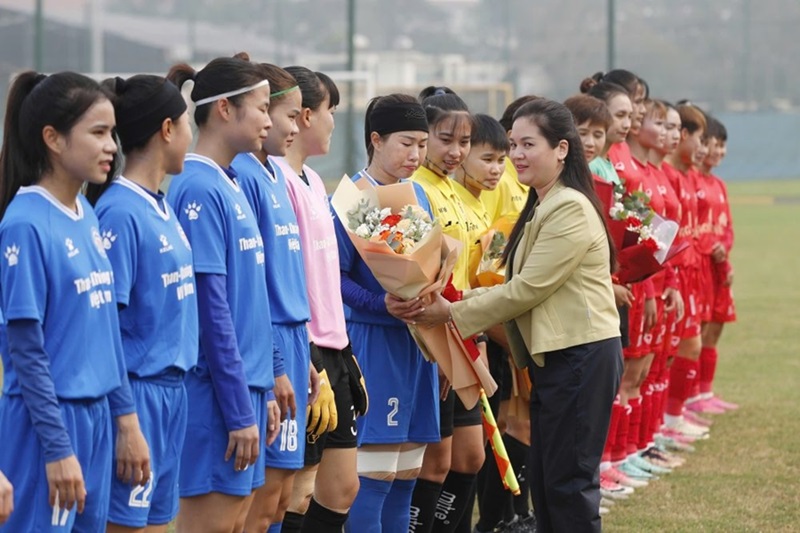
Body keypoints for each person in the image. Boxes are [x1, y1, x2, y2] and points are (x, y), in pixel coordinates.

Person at [412, 98, 623, 533]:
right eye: (513, 145)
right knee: (549, 481)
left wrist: (450, 312)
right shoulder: (545, 202)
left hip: (580, 357)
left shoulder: (568, 207)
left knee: (568, 484)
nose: (517, 156)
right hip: (561, 359)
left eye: (529, 144)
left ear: (562, 149)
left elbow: (526, 290)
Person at [0, 71, 150, 531]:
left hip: (98, 417)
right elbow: (26, 352)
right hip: (46, 424)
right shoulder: (25, 224)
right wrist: (57, 448)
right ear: (53, 139)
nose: (112, 147)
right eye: (98, 133)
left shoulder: (85, 212)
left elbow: (105, 334)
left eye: (113, 134)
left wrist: (127, 422)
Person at [165, 56, 280, 533]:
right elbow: (212, 312)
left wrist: (265, 387)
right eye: (261, 107)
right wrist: (238, 408)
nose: (270, 120)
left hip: (244, 393)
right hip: (216, 400)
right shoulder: (197, 188)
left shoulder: (230, 181)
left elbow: (249, 303)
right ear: (225, 111)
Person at [88, 74, 198, 533]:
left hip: (173, 395)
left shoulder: (160, 204)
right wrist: (126, 421)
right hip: (138, 396)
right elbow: (104, 330)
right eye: (187, 123)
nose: (192, 135)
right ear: (167, 129)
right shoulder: (118, 211)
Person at [336, 93, 440, 532]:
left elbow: (431, 265)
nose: (416, 154)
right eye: (406, 143)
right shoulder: (353, 198)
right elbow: (335, 279)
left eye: (422, 143)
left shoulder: (419, 194)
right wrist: (380, 303)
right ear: (375, 140)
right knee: (374, 477)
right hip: (374, 348)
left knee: (406, 477)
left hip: (418, 346)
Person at [273, 67, 360, 533]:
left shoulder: (313, 180)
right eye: (330, 111)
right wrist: (308, 354)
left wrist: (343, 348)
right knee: (294, 493)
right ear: (305, 116)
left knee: (342, 487)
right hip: (304, 353)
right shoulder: (279, 182)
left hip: (333, 349)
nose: (332, 122)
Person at [229, 59, 314, 533]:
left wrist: (307, 360)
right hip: (271, 343)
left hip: (295, 340)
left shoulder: (276, 174)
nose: (297, 125)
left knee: (281, 497)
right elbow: (252, 286)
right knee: (259, 504)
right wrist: (278, 362)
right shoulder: (241, 174)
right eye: (287, 114)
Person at [409, 87, 485, 533]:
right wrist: (439, 347)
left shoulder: (454, 190)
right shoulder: (417, 187)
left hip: (463, 332)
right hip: (433, 340)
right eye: (445, 139)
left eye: (464, 142)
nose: (457, 151)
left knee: (470, 456)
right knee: (435, 463)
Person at [661, 103, 712, 441]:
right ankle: (667, 421)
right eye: (699, 138)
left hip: (690, 272)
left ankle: (671, 417)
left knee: (685, 347)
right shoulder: (667, 176)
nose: (702, 147)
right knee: (672, 351)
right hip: (671, 275)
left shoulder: (684, 176)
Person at [692, 116, 738, 414]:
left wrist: (724, 249)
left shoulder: (718, 185)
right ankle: (691, 396)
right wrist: (711, 247)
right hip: (699, 266)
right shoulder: (692, 181)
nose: (718, 151)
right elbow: (695, 228)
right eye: (714, 144)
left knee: (715, 327)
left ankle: (704, 392)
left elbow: (726, 227)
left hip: (718, 268)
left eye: (723, 146)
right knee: (696, 332)